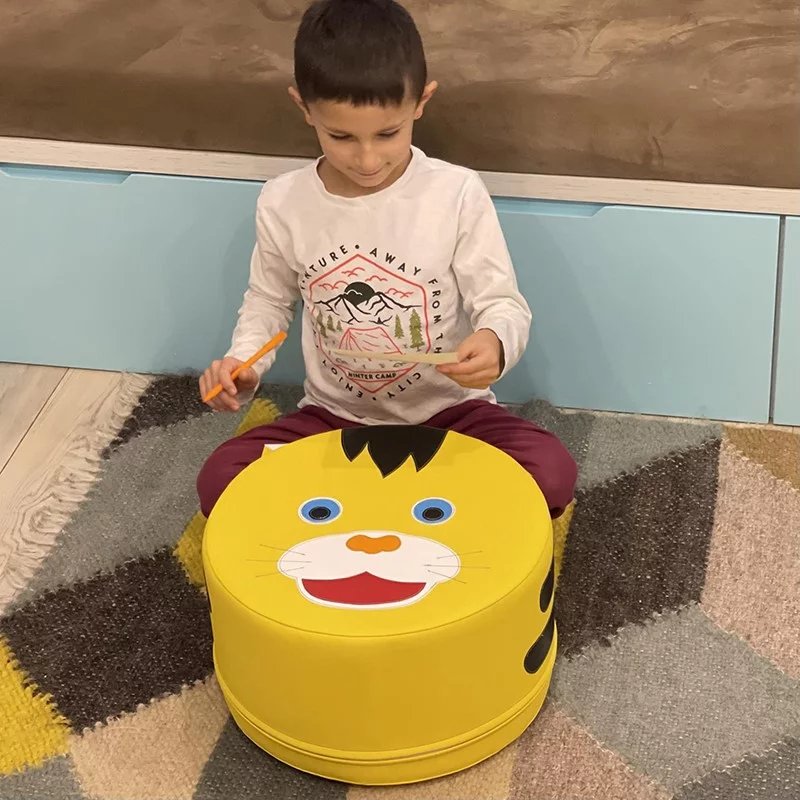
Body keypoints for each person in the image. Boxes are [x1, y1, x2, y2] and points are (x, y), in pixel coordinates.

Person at [197, 0, 577, 519]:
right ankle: (408, 503)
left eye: (387, 133)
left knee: (550, 474)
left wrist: (494, 342)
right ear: (304, 107)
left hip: (452, 416)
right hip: (333, 420)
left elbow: (501, 303)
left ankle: (364, 503)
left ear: (422, 102)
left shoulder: (456, 192)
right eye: (340, 136)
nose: (367, 159)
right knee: (221, 481)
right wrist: (244, 363)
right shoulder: (283, 201)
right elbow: (268, 301)